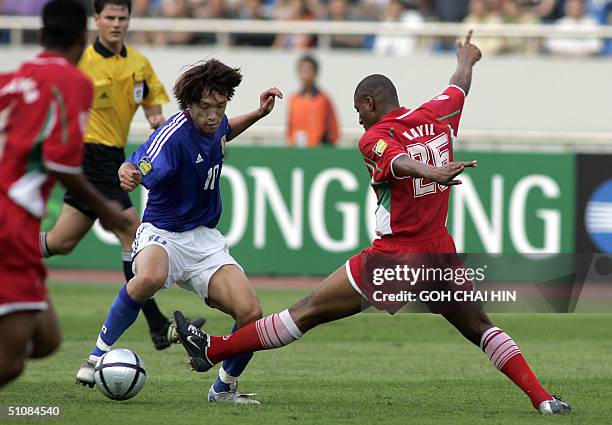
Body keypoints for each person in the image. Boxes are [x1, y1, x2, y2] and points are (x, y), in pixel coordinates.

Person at [173, 31, 572, 415]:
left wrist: (427, 173)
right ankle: (543, 399)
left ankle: (213, 349)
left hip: (395, 258)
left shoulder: (374, 137)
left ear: (369, 103)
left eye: (357, 110)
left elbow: (396, 160)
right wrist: (467, 57)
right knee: (481, 328)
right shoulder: (440, 110)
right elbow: (459, 84)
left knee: (306, 311)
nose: (358, 120)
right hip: (441, 255)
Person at [76, 58, 283, 404]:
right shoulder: (173, 136)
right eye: (205, 108)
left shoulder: (215, 123)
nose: (213, 115)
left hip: (204, 241)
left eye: (220, 106)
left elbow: (226, 128)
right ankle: (96, 355)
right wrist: (127, 172)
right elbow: (139, 160)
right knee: (149, 277)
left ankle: (223, 389)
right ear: (189, 105)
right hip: (163, 234)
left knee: (251, 313)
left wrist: (259, 114)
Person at [37, 0, 201, 353]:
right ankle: (158, 326)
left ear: (129, 19)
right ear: (95, 20)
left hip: (112, 155)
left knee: (61, 242)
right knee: (131, 228)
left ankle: (11, 246)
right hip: (87, 152)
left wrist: (163, 127)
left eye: (122, 17)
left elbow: (155, 113)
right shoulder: (80, 60)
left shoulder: (138, 64)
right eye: (109, 17)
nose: (116, 23)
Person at [0, 0, 129, 388]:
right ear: (83, 38)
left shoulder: (11, 79)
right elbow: (62, 164)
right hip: (11, 223)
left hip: (16, 226)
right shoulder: (74, 83)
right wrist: (105, 208)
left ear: (40, 36)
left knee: (47, 339)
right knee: (11, 362)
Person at [287, 55, 339, 147]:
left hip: (318, 150)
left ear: (315, 72)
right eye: (302, 70)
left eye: (308, 70)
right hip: (296, 148)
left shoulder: (323, 99)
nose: (305, 73)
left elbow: (332, 129)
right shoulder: (293, 99)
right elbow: (290, 127)